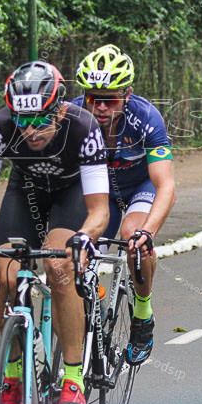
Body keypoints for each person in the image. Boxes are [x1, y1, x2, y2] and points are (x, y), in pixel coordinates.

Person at [0, 61, 109, 404]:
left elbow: (99, 211)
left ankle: (74, 380)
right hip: (27, 191)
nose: (30, 131)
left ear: (59, 109)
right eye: (22, 121)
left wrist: (84, 237)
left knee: (60, 268)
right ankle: (14, 375)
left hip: (72, 193)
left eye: (40, 121)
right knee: (7, 278)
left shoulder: (84, 126)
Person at [72, 44, 176, 365]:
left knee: (133, 237)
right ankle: (95, 299)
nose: (101, 107)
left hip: (139, 188)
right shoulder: (72, 117)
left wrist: (149, 231)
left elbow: (166, 185)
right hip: (100, 193)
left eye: (111, 99)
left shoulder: (146, 119)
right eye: (94, 98)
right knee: (77, 246)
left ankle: (142, 311)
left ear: (127, 94)